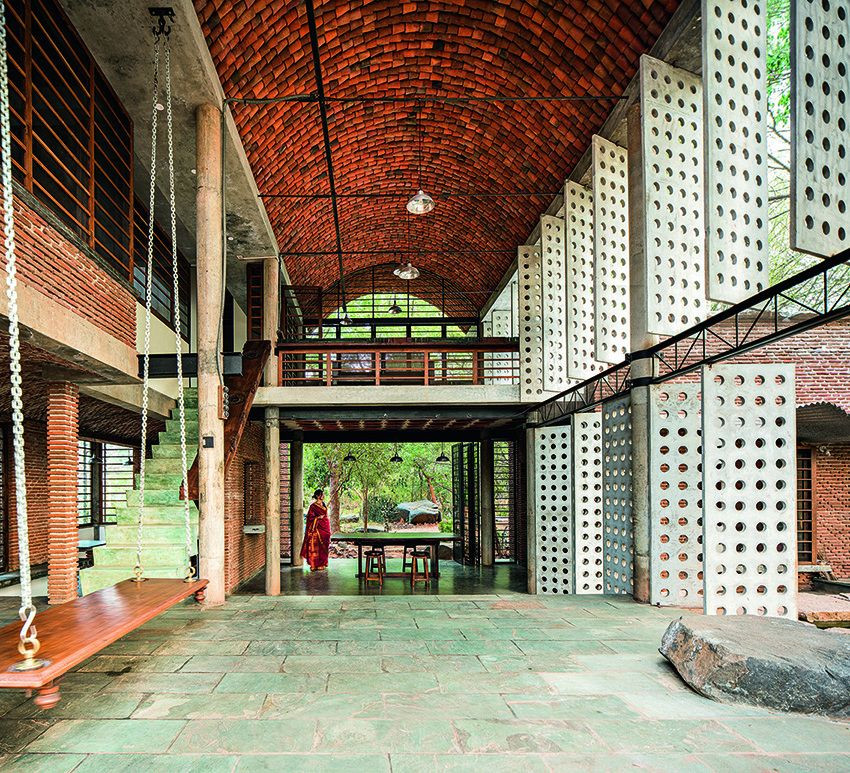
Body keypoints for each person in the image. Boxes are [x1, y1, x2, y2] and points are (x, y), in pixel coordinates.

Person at [300, 488, 331, 571]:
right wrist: (318, 518)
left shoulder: (323, 504)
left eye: (323, 494)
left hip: (325, 527)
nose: (323, 496)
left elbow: (325, 515)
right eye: (322, 494)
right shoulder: (313, 506)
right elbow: (310, 518)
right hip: (317, 528)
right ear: (317, 496)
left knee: (325, 545)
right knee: (316, 545)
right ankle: (315, 564)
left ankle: (323, 563)